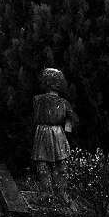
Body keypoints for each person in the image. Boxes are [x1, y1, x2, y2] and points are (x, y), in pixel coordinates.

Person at [32, 67, 75, 200]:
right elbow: (71, 118)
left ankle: (53, 192)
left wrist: (67, 127)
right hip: (56, 133)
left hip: (45, 132)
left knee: (46, 164)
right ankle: (55, 192)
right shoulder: (63, 103)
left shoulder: (38, 100)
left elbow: (70, 119)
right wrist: (68, 128)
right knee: (57, 164)